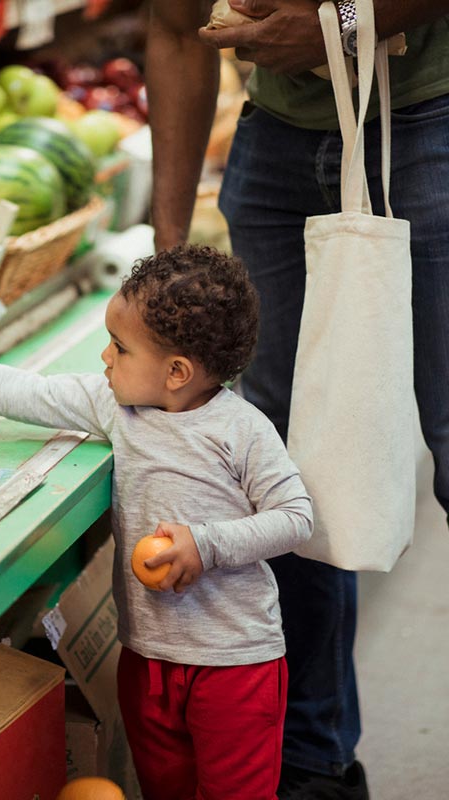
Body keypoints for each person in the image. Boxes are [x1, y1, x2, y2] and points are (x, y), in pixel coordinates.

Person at [0, 244, 314, 800]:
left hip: (234, 666)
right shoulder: (116, 405)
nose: (105, 357)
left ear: (176, 372)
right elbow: (24, 393)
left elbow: (297, 519)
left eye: (120, 348)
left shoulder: (242, 430)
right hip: (146, 659)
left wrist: (206, 544)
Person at [146, 1, 449, 798]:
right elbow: (176, 30)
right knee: (287, 473)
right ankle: (314, 764)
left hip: (431, 120)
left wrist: (340, 23)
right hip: (276, 149)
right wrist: (167, 250)